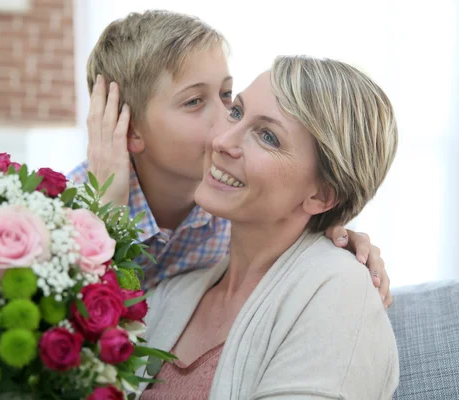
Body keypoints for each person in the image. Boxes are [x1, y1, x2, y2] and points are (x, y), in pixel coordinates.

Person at [67, 10, 392, 303]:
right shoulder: (65, 212)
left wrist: (336, 241)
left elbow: (292, 222)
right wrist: (106, 214)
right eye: (194, 101)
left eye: (227, 97)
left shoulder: (234, 206)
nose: (227, 120)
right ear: (129, 130)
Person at [140, 56, 399, 400]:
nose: (222, 141)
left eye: (267, 137)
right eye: (236, 112)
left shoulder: (342, 291)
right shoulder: (175, 290)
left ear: (322, 194)